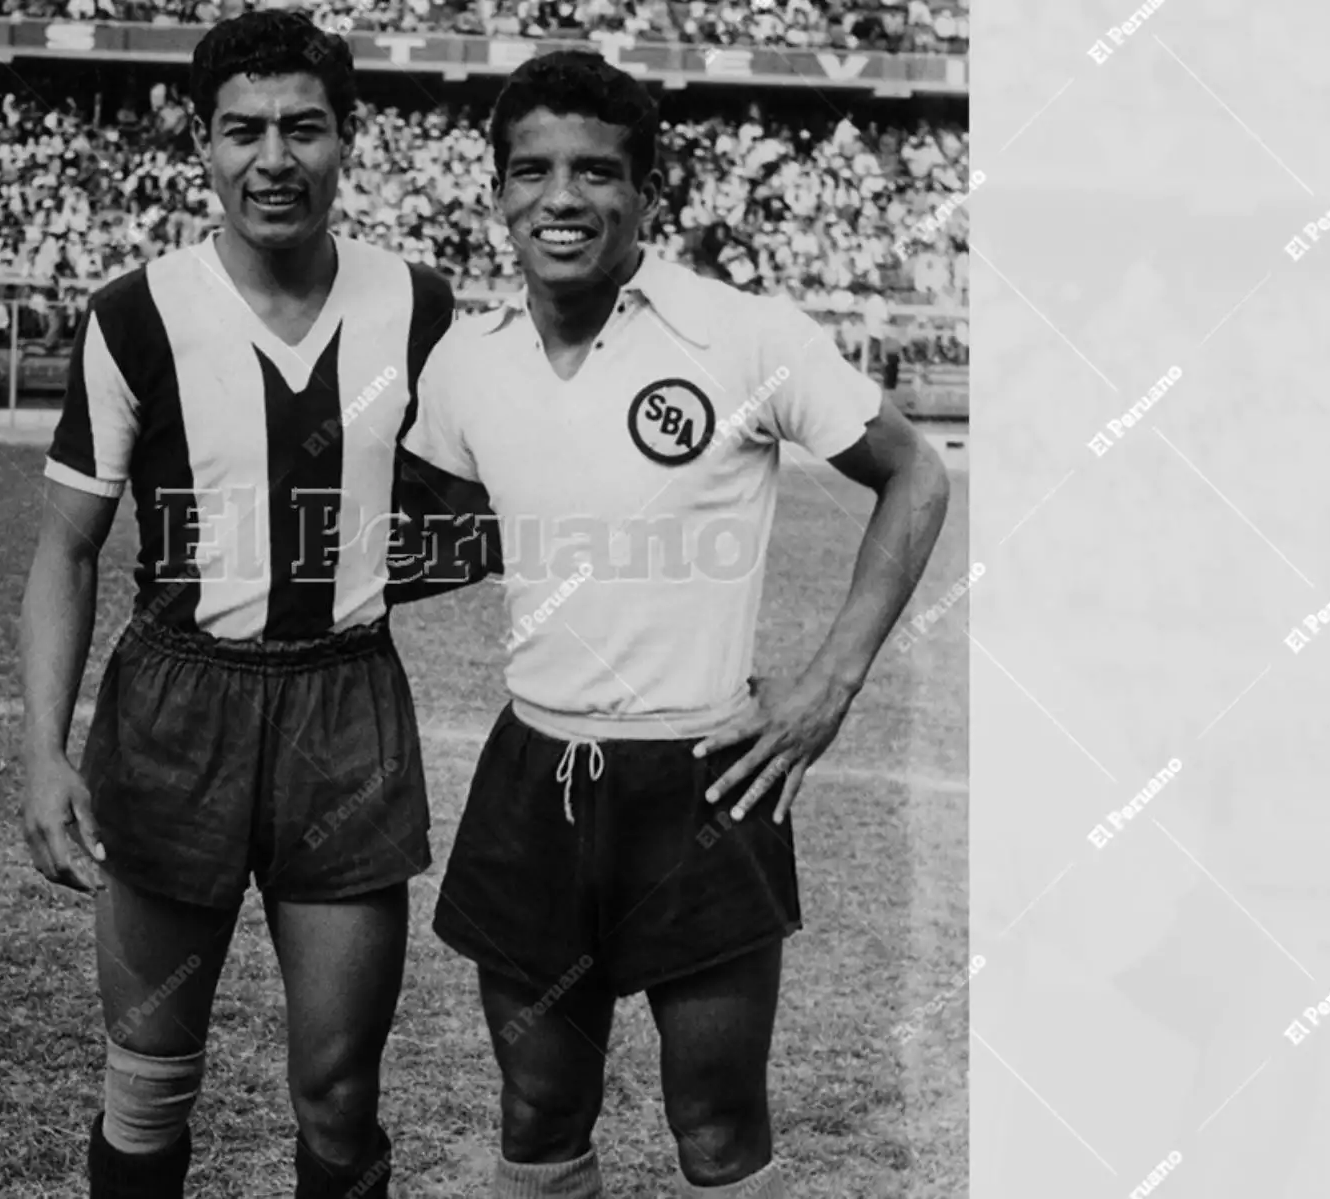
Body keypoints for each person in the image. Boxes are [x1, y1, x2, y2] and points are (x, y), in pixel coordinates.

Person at [400, 51, 951, 1198]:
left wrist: (827, 684)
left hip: (705, 781)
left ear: (646, 191)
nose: (562, 197)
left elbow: (915, 473)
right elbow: (438, 544)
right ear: (498, 192)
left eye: (596, 171)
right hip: (533, 771)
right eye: (531, 171)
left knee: (715, 1120)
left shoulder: (743, 334)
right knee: (539, 1109)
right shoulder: (465, 360)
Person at [16, 12, 492, 1198]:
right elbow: (65, 549)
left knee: (339, 1095)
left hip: (344, 707)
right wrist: (41, 750)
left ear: (348, 141)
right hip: (177, 707)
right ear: (202, 144)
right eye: (243, 131)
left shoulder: (421, 306)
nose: (272, 157)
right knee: (148, 1071)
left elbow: (506, 488)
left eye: (302, 128)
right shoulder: (136, 312)